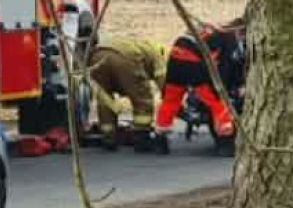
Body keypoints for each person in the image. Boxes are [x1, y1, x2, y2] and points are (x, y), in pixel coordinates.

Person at [154, 19, 243, 156]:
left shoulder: (212, 27)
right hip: (194, 61)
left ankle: (159, 140)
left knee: (170, 99)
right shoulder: (229, 36)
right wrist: (226, 87)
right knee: (216, 101)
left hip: (175, 57)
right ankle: (225, 144)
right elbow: (227, 64)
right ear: (240, 32)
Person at [86, 38, 166, 153]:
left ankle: (108, 136)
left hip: (97, 56)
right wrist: (171, 100)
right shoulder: (157, 54)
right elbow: (161, 78)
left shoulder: (139, 44)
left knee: (105, 99)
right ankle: (141, 138)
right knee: (142, 98)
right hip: (125, 59)